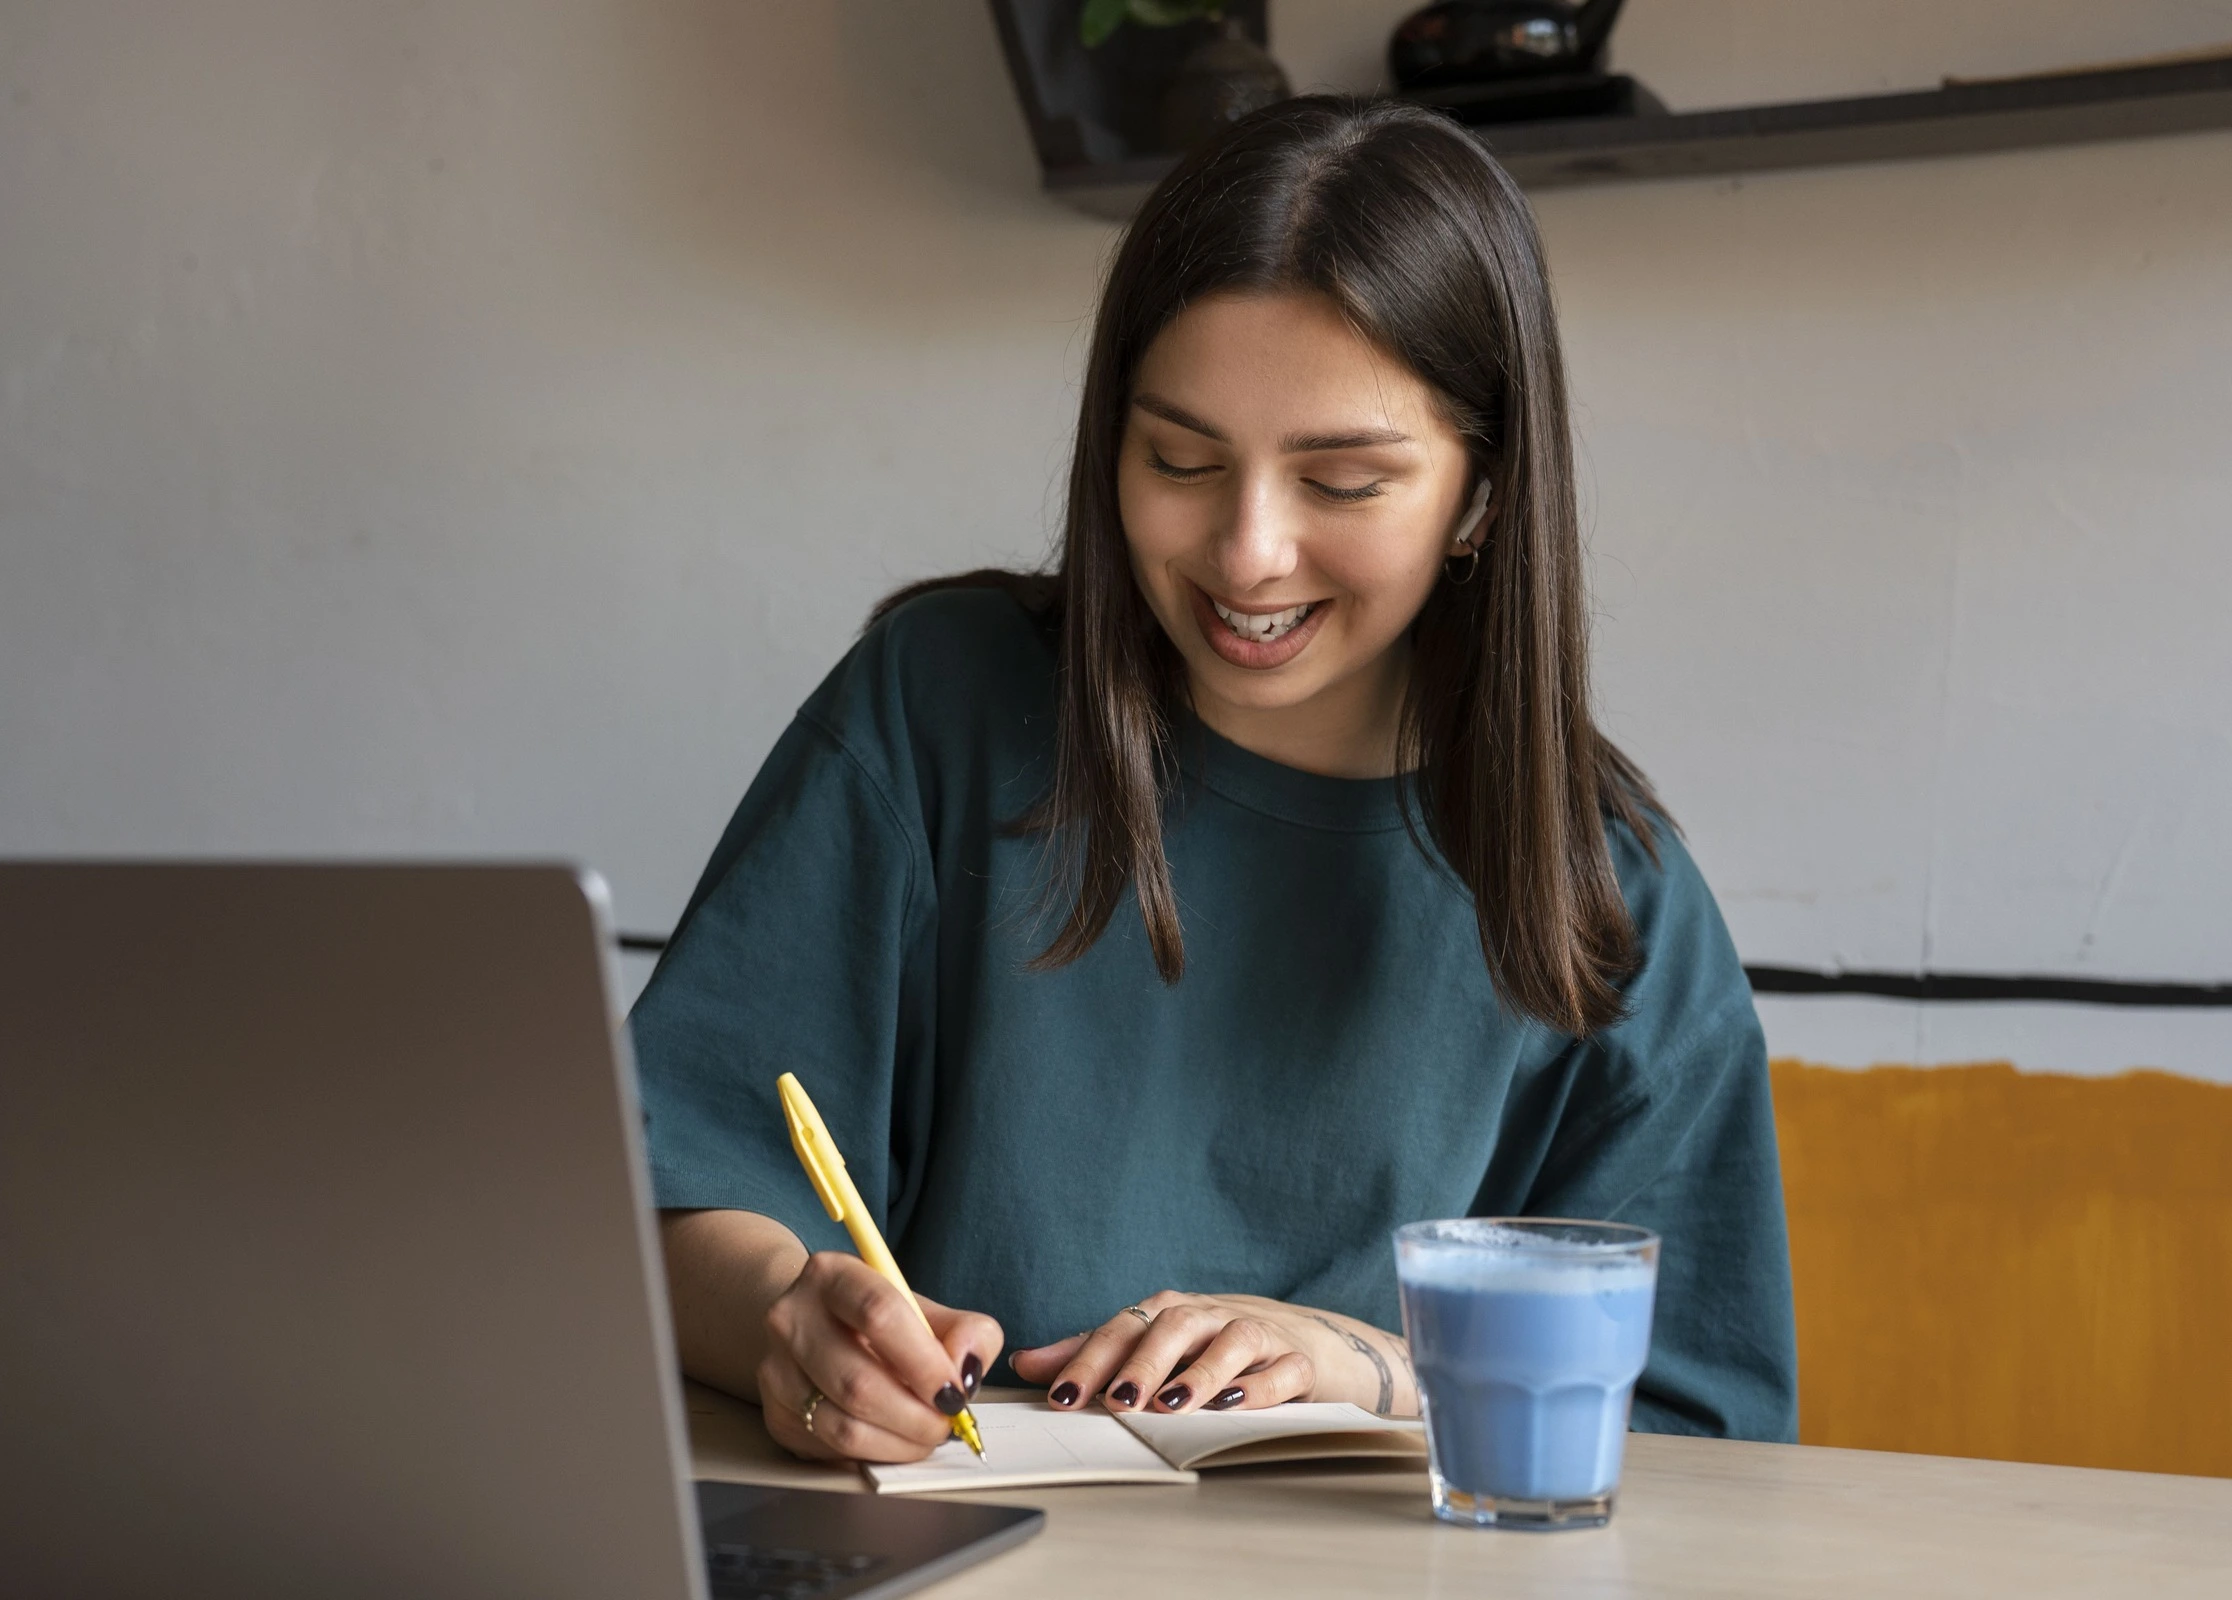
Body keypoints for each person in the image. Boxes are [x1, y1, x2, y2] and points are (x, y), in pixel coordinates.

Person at [634, 97, 1798, 1465]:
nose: (1247, 554)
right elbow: (659, 1203)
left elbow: (1701, 1440)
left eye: (1345, 483)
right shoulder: (938, 711)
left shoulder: (1610, 893)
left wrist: (1367, 1368)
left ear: (1482, 496)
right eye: (1179, 460)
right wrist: (789, 1317)